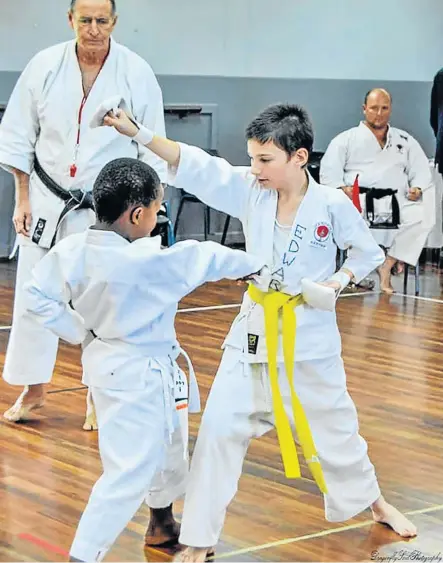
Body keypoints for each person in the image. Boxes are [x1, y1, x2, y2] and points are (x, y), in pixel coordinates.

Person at [102, 102, 418, 562]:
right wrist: (141, 132)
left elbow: (365, 253)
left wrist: (337, 281)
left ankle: (377, 504)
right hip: (252, 334)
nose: (255, 168)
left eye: (265, 159)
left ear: (299, 157)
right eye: (251, 158)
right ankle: (198, 539)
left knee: (337, 431)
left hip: (309, 338)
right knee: (217, 432)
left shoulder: (331, 203)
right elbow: (194, 164)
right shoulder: (251, 190)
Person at [23, 157, 265, 562]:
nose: (159, 215)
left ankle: (162, 523)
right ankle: (83, 555)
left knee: (170, 451)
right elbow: (202, 256)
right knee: (129, 470)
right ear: (136, 214)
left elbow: (34, 295)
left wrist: (78, 329)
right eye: (156, 208)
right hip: (136, 375)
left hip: (117, 363)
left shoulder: (73, 248)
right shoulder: (147, 261)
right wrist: (255, 264)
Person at [0, 0, 167, 429]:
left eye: (102, 20)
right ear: (70, 19)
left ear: (114, 22)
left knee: (101, 302)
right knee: (34, 295)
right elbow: (19, 135)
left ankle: (97, 391)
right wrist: (22, 198)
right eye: (85, 20)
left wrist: (147, 206)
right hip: (45, 196)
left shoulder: (136, 72)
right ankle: (34, 388)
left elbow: (152, 144)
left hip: (105, 205)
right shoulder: (44, 66)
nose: (93, 29)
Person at [320, 88, 434, 294]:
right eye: (374, 108)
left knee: (424, 215)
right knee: (352, 219)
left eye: (384, 108)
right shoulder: (345, 140)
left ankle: (387, 264)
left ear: (391, 110)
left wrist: (417, 188)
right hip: (360, 201)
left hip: (397, 201)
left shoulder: (405, 140)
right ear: (364, 109)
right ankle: (357, 271)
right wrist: (340, 189)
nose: (379, 113)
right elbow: (329, 174)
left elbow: (420, 170)